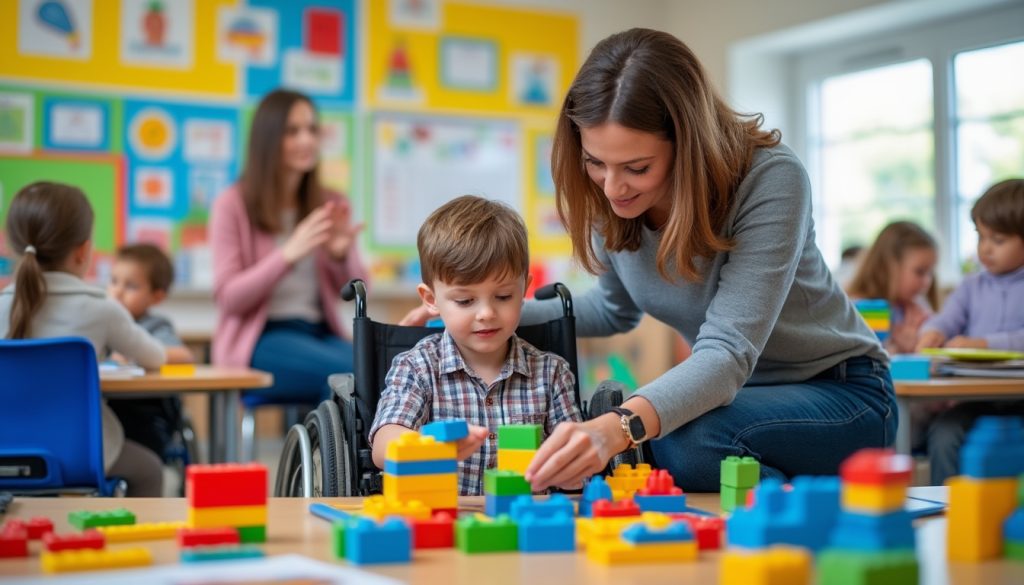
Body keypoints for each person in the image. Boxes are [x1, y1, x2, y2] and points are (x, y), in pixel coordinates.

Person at [402, 29, 896, 492]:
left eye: (637, 168)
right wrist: (487, 312)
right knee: (678, 436)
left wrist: (618, 427)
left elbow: (726, 356)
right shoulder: (613, 200)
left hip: (841, 394)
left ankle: (806, 520)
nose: (612, 187)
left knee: (684, 437)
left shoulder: (771, 179)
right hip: (732, 401)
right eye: (595, 162)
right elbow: (612, 310)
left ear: (689, 146)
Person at [371, 196, 582, 495]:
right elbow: (383, 446)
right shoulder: (417, 366)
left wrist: (570, 468)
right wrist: (429, 447)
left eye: (504, 296)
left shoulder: (551, 372)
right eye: (465, 301)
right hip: (442, 517)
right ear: (431, 300)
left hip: (526, 521)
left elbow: (577, 454)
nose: (486, 313)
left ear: (524, 289)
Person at [0, 182, 167, 496]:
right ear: (82, 251)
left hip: (5, 453)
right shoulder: (101, 308)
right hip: (82, 456)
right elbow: (156, 357)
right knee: (149, 469)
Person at [210, 89, 368, 405]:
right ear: (268, 139)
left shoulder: (330, 203)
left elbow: (362, 289)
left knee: (377, 368)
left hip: (319, 333)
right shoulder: (233, 204)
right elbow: (229, 298)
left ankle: (336, 453)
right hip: (261, 340)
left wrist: (340, 255)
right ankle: (332, 454)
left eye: (312, 129)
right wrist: (287, 255)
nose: (307, 140)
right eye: (293, 131)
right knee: (352, 372)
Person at [915, 178, 1024, 484]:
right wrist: (932, 332)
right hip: (976, 398)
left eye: (998, 240)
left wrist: (983, 343)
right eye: (980, 236)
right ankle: (947, 516)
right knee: (944, 433)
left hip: (1020, 397)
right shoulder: (971, 286)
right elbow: (945, 319)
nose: (985, 249)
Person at [106, 243, 194, 464]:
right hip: (107, 409)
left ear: (157, 296)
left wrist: (138, 354)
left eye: (131, 286)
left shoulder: (155, 325)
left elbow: (185, 356)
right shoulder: (102, 322)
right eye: (114, 281)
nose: (117, 291)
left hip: (146, 414)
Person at [846, 221, 939, 354]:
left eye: (930, 273)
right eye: (920, 272)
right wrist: (898, 348)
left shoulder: (916, 307)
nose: (927, 282)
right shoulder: (859, 309)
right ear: (889, 267)